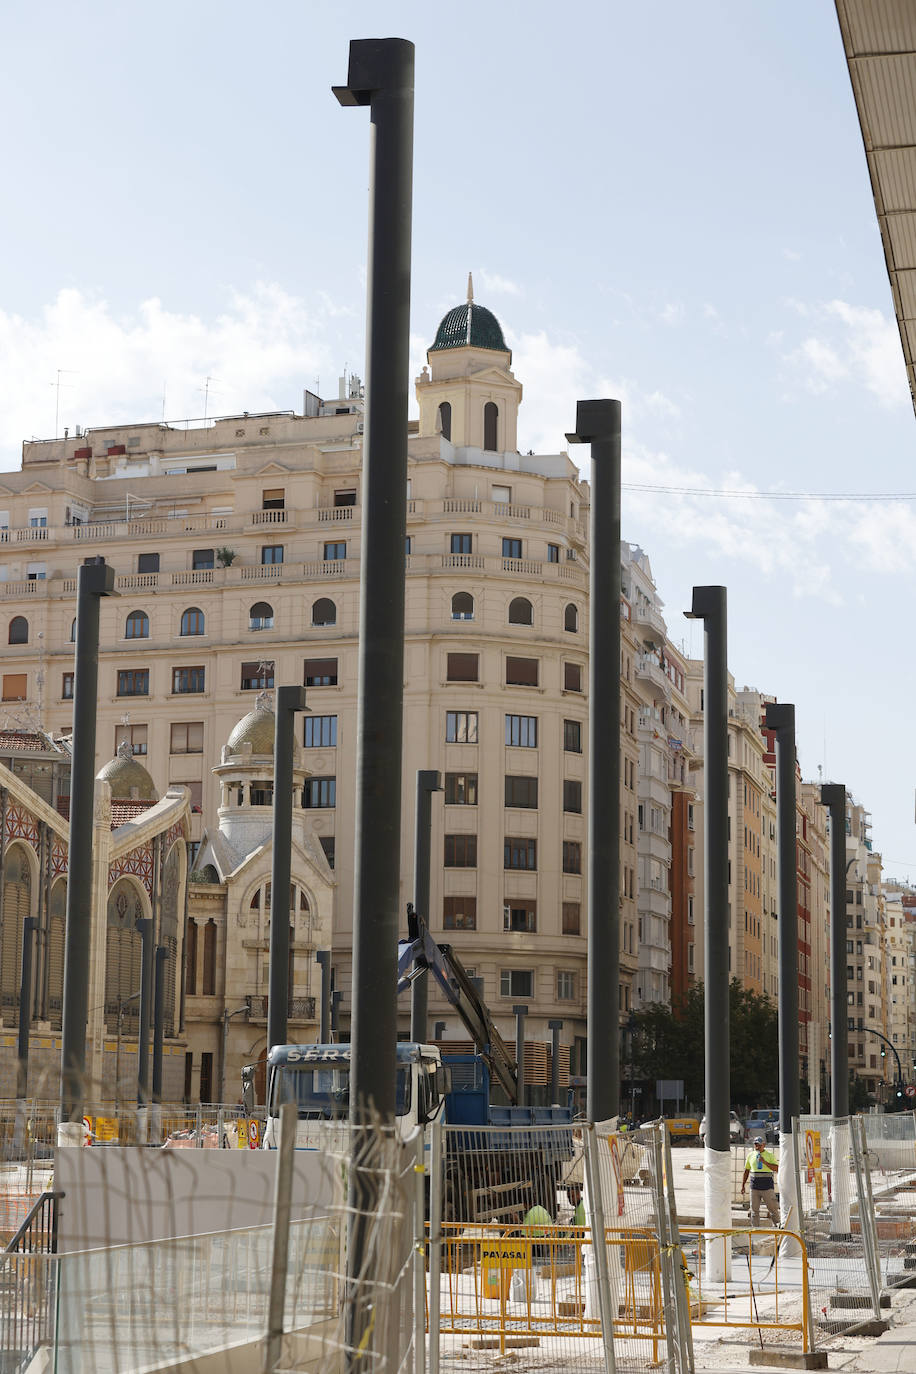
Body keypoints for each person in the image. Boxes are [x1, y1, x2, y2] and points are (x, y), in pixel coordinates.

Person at [741, 1136, 780, 1225]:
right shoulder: (751, 1155)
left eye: (759, 1145)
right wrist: (743, 1185)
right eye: (755, 1144)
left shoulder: (769, 1155)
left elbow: (776, 1168)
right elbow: (746, 1170)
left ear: (764, 1145)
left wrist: (765, 1162)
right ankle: (755, 1230)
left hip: (767, 1187)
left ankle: (778, 1227)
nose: (757, 1146)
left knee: (773, 1209)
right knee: (754, 1210)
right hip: (754, 1186)